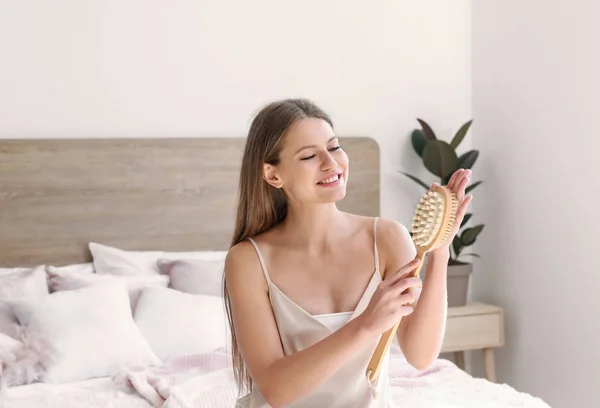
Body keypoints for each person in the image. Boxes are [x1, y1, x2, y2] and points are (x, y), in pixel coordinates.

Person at [223, 98, 472, 408]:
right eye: (310, 156)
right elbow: (276, 389)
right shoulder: (249, 261)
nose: (331, 163)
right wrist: (367, 323)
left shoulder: (387, 239)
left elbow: (421, 356)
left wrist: (440, 252)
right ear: (273, 175)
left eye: (335, 147)